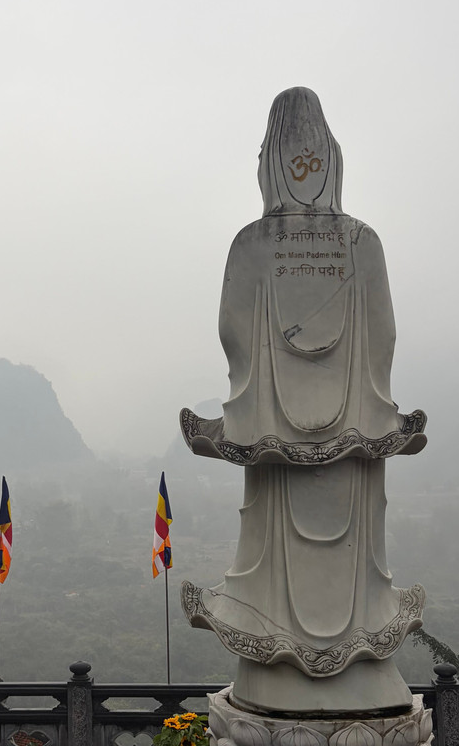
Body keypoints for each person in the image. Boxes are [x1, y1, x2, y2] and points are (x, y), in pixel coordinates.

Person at [179, 87, 427, 714]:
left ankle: (282, 682)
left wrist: (267, 389)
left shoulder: (251, 243)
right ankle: (361, 680)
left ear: (266, 163)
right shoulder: (363, 241)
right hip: (355, 429)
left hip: (277, 430)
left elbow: (234, 333)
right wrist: (358, 403)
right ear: (332, 159)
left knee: (287, 561)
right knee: (351, 563)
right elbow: (384, 337)